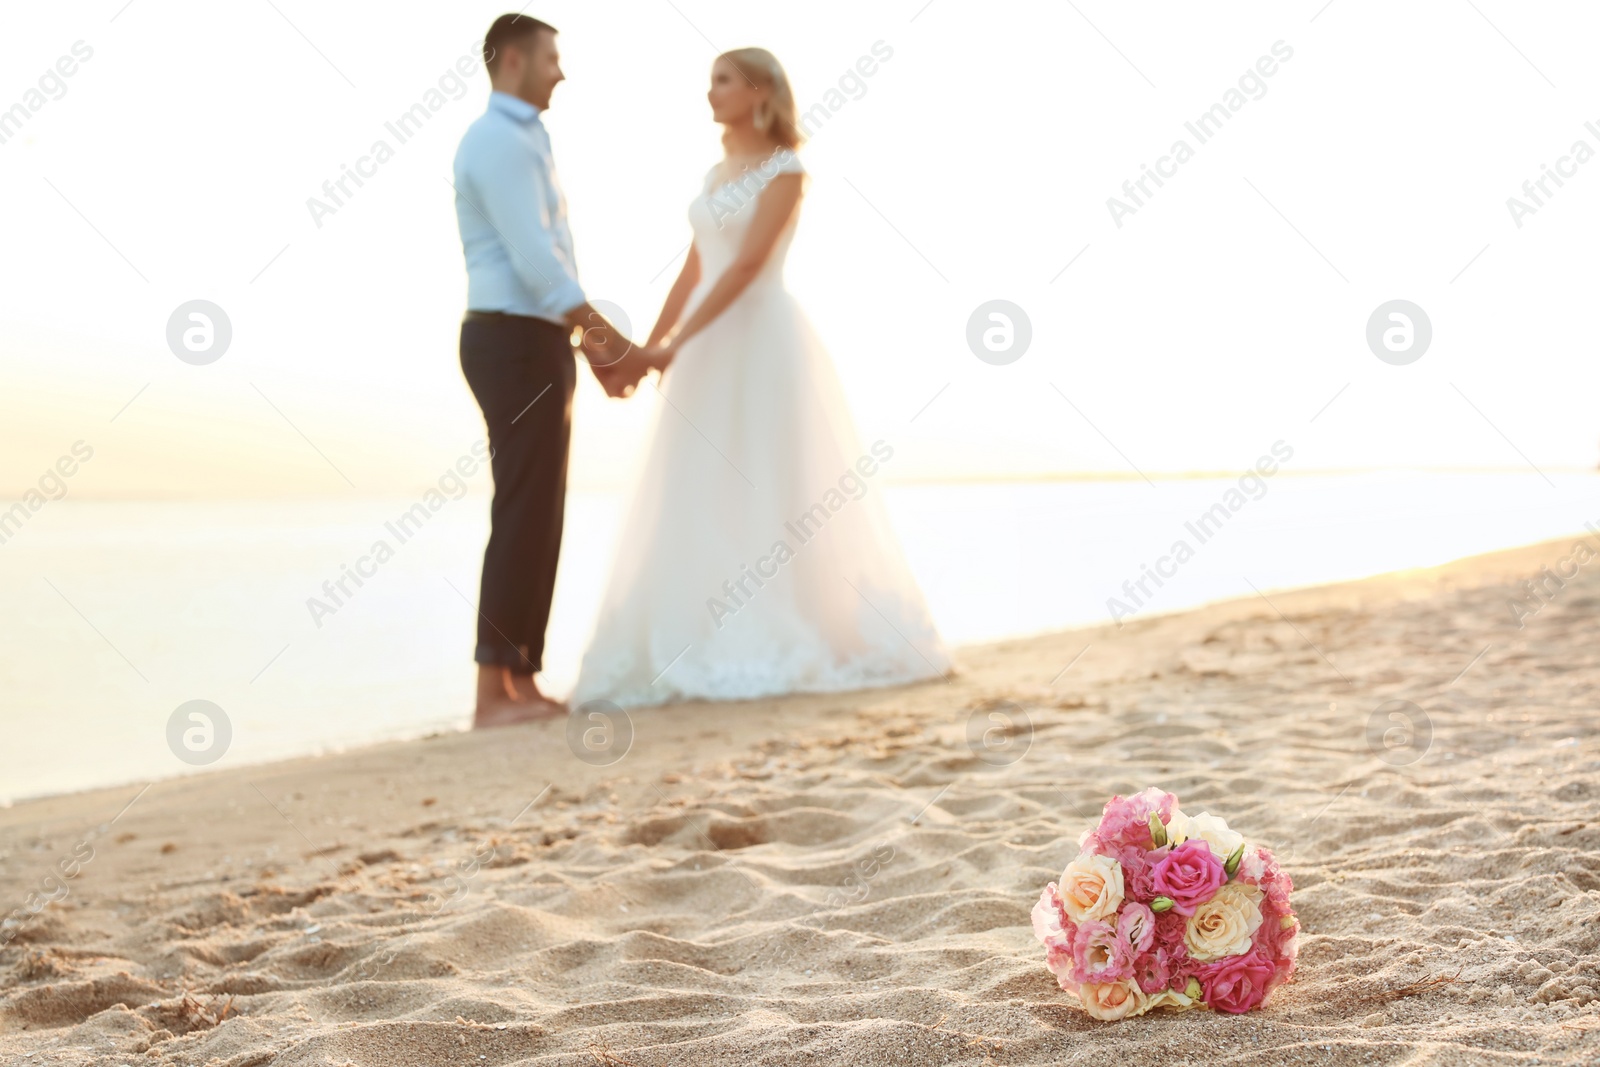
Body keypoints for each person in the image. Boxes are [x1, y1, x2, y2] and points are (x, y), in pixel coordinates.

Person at [571, 48, 950, 708]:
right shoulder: (716, 171)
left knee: (770, 482)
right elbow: (695, 270)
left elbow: (745, 267)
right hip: (704, 346)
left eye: (722, 80)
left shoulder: (787, 170)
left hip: (760, 341)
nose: (710, 93)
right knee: (699, 483)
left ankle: (782, 627)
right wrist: (650, 348)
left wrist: (673, 347)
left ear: (760, 91)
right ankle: (694, 631)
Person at [452, 14, 659, 728]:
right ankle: (491, 695)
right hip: (508, 338)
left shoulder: (526, 139)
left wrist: (589, 348)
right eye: (551, 59)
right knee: (522, 507)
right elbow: (535, 260)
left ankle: (520, 682)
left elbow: (552, 261)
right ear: (512, 59)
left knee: (541, 510)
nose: (560, 72)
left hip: (535, 339)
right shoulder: (495, 140)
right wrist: (610, 341)